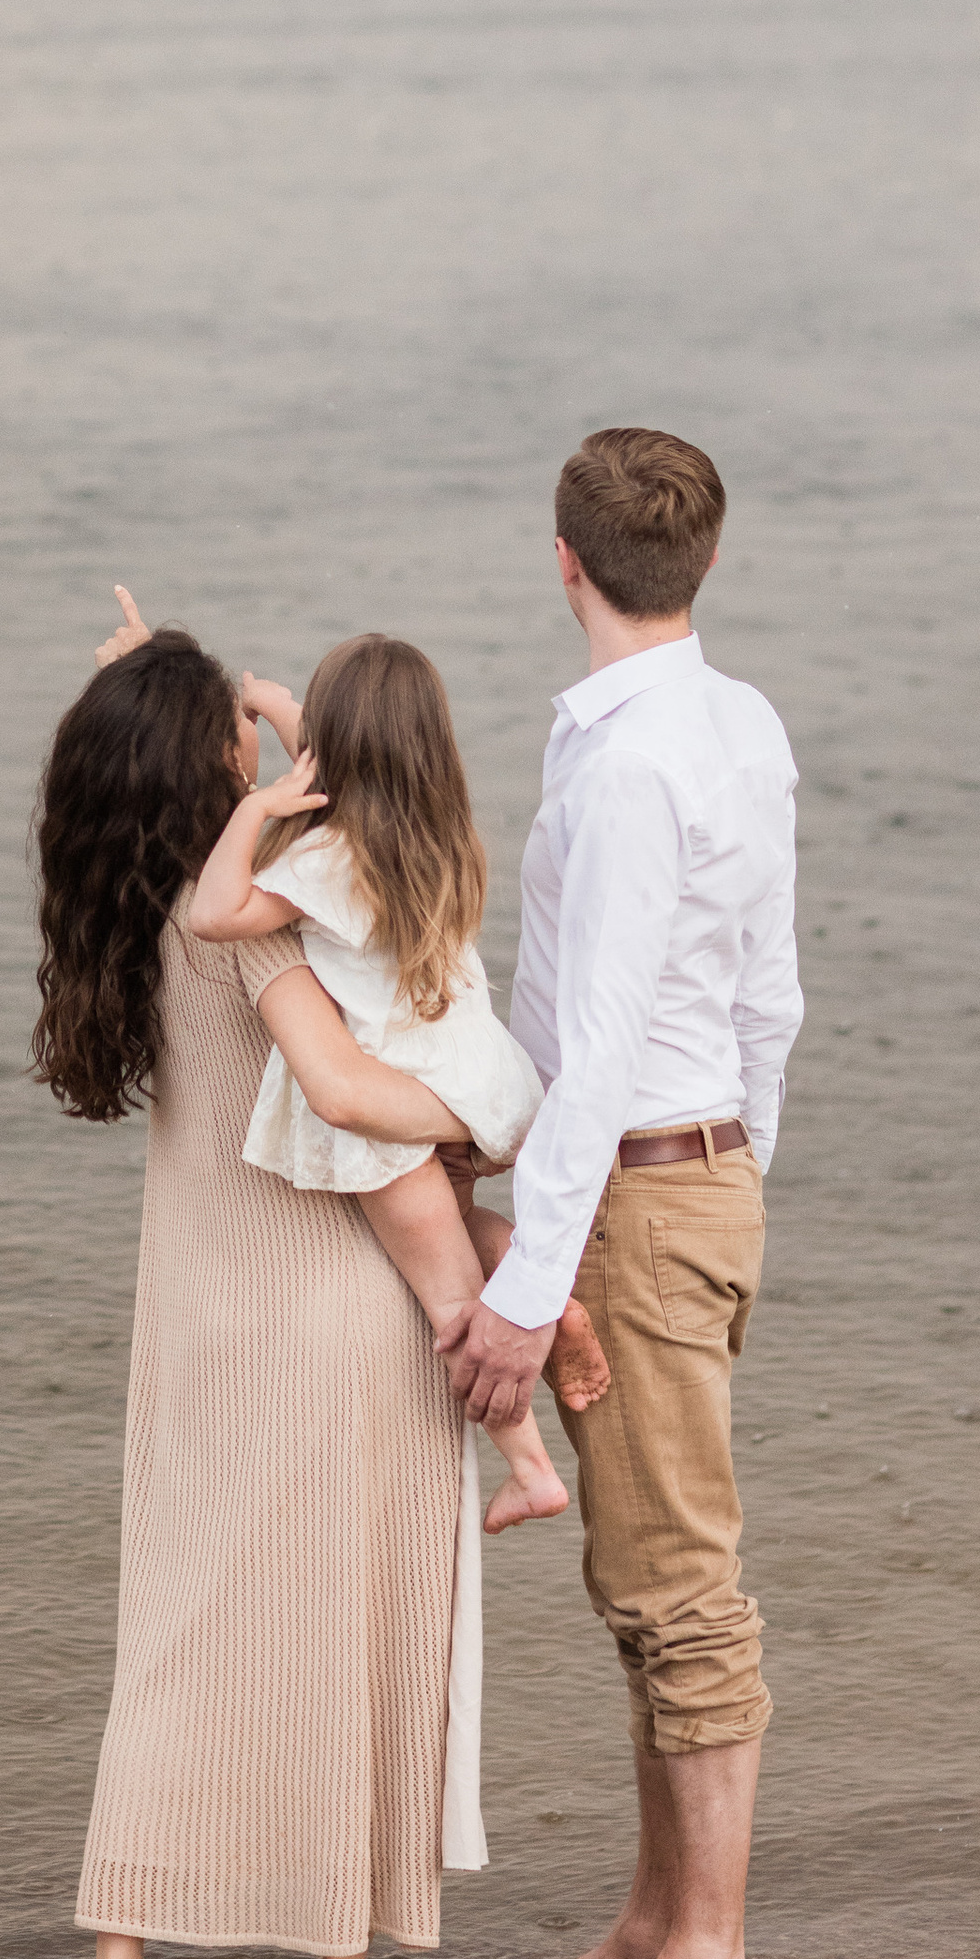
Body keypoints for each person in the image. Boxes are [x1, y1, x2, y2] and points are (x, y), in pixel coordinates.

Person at [34, 604, 499, 1959]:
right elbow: (351, 1084)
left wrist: (150, 676)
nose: (267, 748)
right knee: (350, 1634)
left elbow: (202, 759)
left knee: (171, 1643)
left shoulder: (139, 913)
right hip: (330, 1313)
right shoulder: (277, 909)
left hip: (191, 1320)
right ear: (213, 766)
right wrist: (494, 1117)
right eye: (238, 735)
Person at [438, 428, 804, 1959]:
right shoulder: (735, 722)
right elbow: (768, 1001)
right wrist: (736, 1178)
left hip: (648, 1188)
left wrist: (530, 1288)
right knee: (638, 1573)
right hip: (692, 1175)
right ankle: (653, 1928)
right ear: (705, 561)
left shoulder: (637, 760)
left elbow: (591, 1049)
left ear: (564, 560)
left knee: (678, 1586)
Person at [187, 633, 610, 1534]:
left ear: (329, 756)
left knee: (449, 1298)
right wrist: (266, 697)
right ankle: (551, 1300)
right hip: (466, 1081)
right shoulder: (439, 834)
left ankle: (530, 1467)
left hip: (389, 1111)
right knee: (460, 1231)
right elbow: (348, 745)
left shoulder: (328, 861)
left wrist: (253, 809)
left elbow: (214, 912)